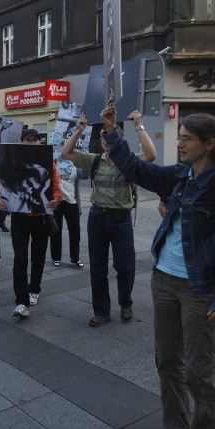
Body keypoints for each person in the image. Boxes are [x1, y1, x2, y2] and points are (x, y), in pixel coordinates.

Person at [100, 101, 215, 429]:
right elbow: (135, 170)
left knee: (199, 373)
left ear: (209, 143)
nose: (180, 143)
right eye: (180, 137)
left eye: (187, 139)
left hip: (200, 289)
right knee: (167, 362)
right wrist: (112, 131)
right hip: (164, 281)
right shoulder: (178, 176)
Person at [62, 111, 157, 326]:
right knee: (97, 267)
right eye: (104, 140)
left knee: (125, 266)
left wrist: (139, 126)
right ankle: (102, 311)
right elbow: (66, 152)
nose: (107, 143)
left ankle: (125, 303)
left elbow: (151, 155)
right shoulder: (94, 161)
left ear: (118, 142)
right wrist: (79, 130)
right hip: (97, 218)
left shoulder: (129, 162)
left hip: (121, 219)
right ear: (103, 144)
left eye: (110, 139)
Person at [4, 129, 62, 319]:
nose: (32, 143)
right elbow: (6, 188)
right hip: (20, 217)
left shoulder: (49, 163)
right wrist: (2, 202)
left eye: (36, 140)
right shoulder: (13, 163)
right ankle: (21, 301)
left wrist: (56, 200)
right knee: (20, 258)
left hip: (41, 217)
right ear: (21, 142)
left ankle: (34, 288)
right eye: (29, 140)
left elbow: (56, 189)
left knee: (38, 257)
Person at [48, 167, 83, 269]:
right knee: (56, 230)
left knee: (75, 230)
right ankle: (56, 257)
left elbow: (86, 175)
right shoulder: (54, 162)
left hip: (72, 200)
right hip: (57, 201)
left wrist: (83, 159)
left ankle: (75, 257)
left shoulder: (75, 164)